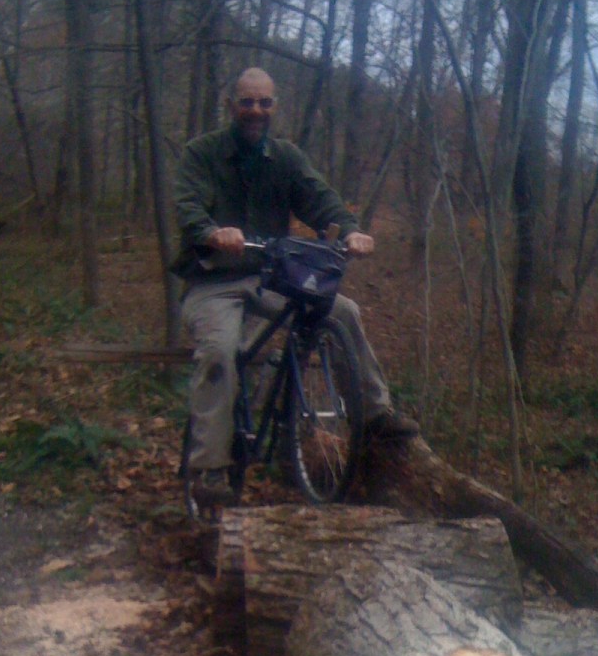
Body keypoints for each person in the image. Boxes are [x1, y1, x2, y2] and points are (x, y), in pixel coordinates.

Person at [171, 67, 417, 506]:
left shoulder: (285, 157)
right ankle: (208, 469)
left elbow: (320, 199)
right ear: (231, 105)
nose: (256, 110)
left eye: (264, 102)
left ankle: (375, 414)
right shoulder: (202, 153)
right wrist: (210, 231)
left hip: (270, 277)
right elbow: (187, 206)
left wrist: (349, 230)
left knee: (342, 310)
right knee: (220, 352)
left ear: (275, 107)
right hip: (213, 281)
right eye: (247, 102)